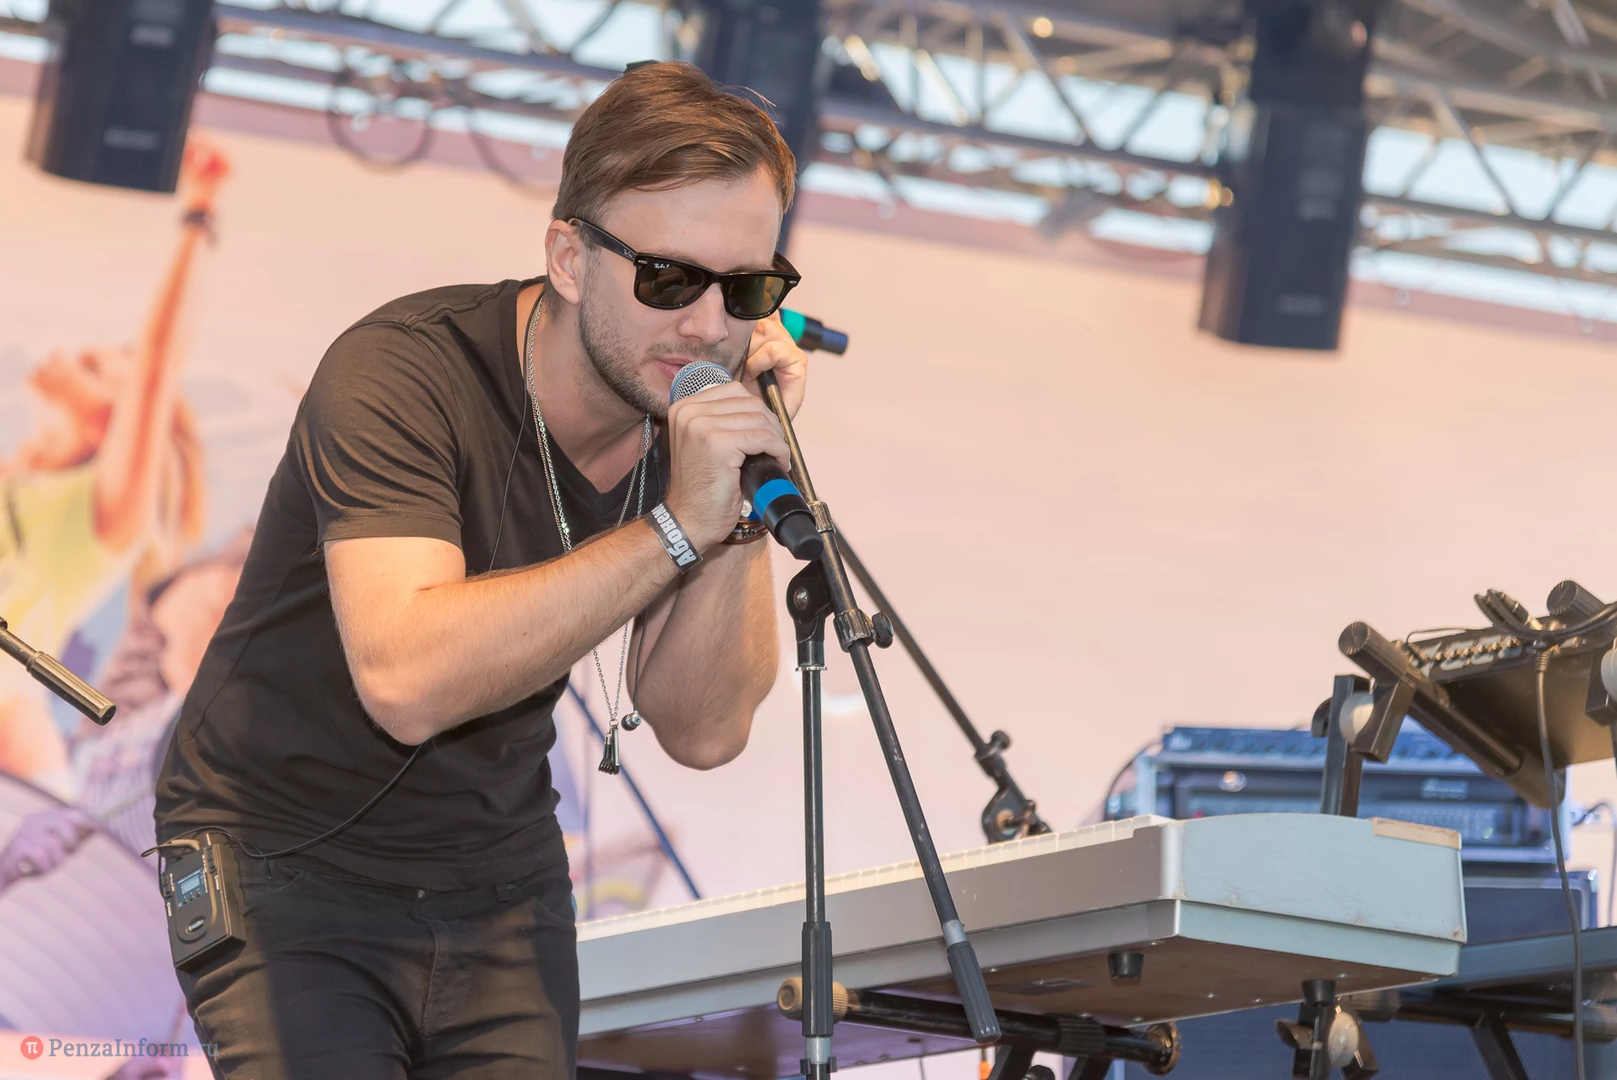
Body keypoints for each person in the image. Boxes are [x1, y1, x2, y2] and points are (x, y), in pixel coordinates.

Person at [153, 62, 810, 1079]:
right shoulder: (402, 372)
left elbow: (703, 731)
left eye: (747, 288)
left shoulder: (689, 422)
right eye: (670, 280)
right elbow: (407, 680)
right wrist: (676, 527)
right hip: (281, 852)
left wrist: (733, 509)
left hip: (497, 877)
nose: (708, 327)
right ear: (569, 258)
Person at [0, 143, 225, 797]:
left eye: (95, 367)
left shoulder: (100, 515)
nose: (69, 354)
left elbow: (155, 369)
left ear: (115, 422)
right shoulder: (21, 478)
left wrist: (199, 215)